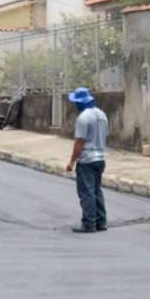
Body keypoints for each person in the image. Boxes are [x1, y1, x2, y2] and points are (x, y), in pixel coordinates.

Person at [65, 86, 108, 233]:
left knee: (86, 192)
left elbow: (80, 142)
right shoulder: (102, 115)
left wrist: (72, 161)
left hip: (87, 160)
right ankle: (101, 222)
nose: (75, 105)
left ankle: (89, 223)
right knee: (97, 191)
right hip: (100, 158)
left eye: (76, 102)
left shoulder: (83, 118)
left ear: (81, 102)